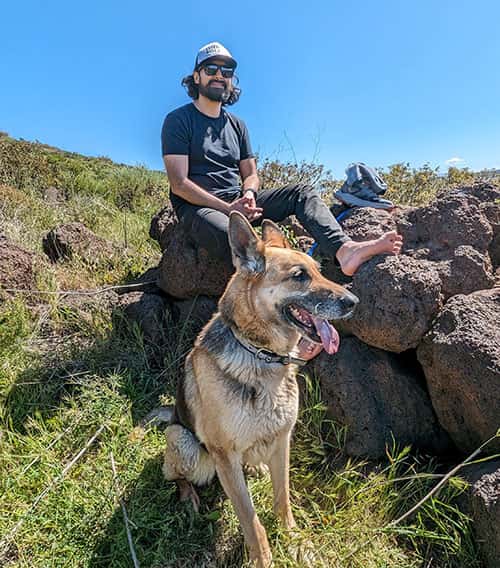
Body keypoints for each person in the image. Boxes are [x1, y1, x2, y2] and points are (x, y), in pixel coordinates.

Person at [161, 41, 402, 278]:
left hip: (236, 202)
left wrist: (248, 195)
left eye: (227, 71)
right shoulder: (179, 120)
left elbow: (251, 174)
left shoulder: (237, 125)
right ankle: (286, 286)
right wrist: (229, 209)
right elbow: (179, 184)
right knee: (238, 239)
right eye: (211, 69)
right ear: (196, 77)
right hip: (199, 209)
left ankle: (345, 250)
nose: (219, 76)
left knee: (301, 193)